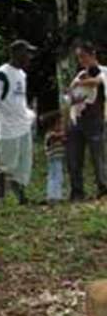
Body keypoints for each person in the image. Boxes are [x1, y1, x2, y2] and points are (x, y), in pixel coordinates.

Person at [0, 40, 37, 205]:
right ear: (16, 54)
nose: (29, 57)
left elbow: (20, 99)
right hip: (8, 128)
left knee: (23, 165)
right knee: (3, 165)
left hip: (24, 125)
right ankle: (0, 198)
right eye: (26, 53)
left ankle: (21, 196)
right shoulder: (1, 74)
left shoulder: (22, 75)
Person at [65, 41, 107, 200]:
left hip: (95, 119)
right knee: (74, 157)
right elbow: (70, 93)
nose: (81, 61)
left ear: (92, 55)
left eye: (83, 57)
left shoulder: (103, 71)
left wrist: (78, 83)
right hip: (77, 118)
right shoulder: (80, 74)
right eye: (79, 58)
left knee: (98, 157)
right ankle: (77, 191)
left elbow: (98, 81)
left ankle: (103, 188)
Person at [45, 115, 67, 204]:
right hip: (54, 158)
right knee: (55, 177)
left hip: (58, 159)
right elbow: (55, 137)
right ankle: (53, 196)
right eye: (59, 124)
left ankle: (56, 195)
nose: (61, 126)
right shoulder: (50, 134)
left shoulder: (56, 135)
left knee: (57, 176)